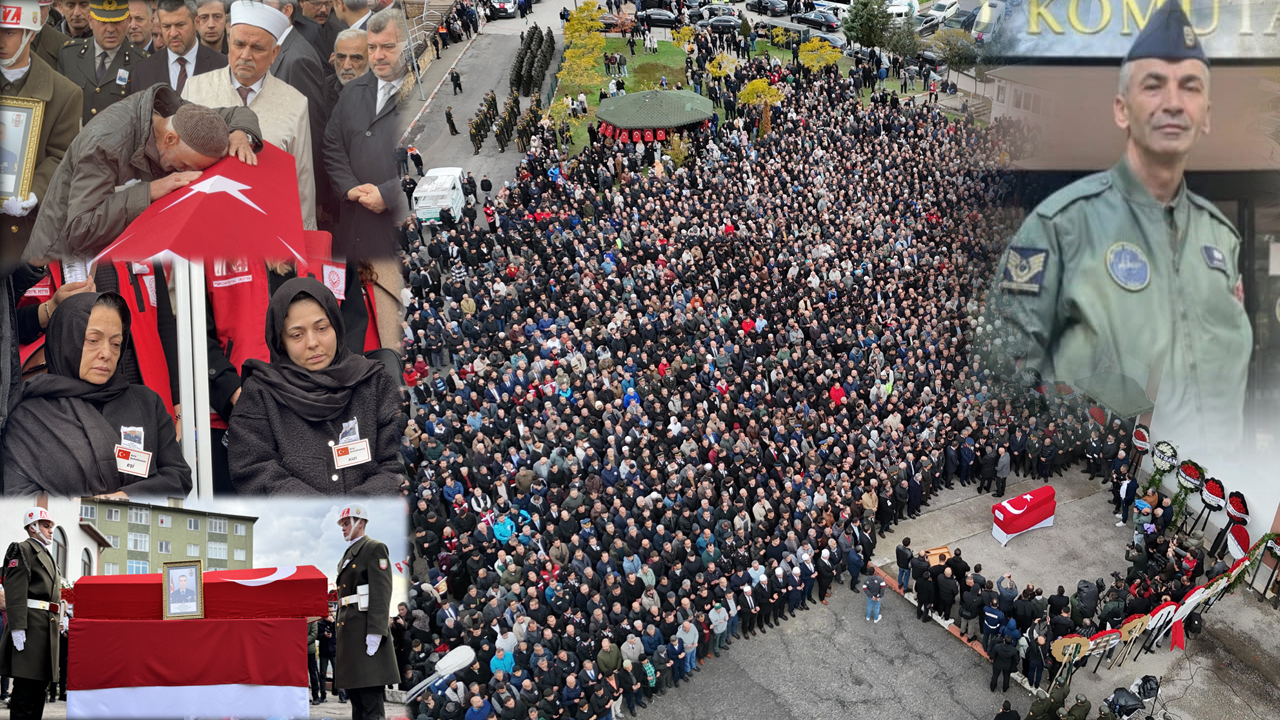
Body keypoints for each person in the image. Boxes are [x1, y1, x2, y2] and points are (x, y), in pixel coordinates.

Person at [992, 0, 1250, 458]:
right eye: (1153, 86)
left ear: (1206, 113)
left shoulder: (1222, 239)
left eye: (1189, 87)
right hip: (1117, 437)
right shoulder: (1059, 225)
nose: (1173, 103)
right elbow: (1014, 352)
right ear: (1122, 109)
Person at [22, 84, 261, 262]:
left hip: (107, 257)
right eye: (187, 165)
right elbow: (80, 228)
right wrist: (149, 191)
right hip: (57, 262)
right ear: (170, 139)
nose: (188, 175)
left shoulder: (182, 118)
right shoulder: (106, 145)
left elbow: (236, 114)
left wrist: (241, 133)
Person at [3, 292, 192, 496]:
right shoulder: (28, 416)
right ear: (65, 338)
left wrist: (127, 498)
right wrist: (84, 514)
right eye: (93, 340)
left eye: (116, 343)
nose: (106, 353)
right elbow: (18, 496)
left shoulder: (147, 403)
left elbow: (178, 477)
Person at [226, 277, 403, 494]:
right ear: (280, 340)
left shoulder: (375, 383)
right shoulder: (259, 395)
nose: (312, 343)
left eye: (321, 328)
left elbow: (396, 463)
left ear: (336, 326)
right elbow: (253, 469)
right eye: (297, 335)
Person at [181, 0, 315, 228]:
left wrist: (301, 240)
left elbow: (302, 181)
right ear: (229, 43)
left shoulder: (294, 102)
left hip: (267, 227)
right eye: (239, 44)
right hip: (205, 224)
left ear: (274, 53)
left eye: (257, 48)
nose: (245, 55)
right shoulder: (196, 89)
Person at [322, 7, 409, 260]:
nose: (378, 56)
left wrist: (388, 194)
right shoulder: (352, 91)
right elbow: (332, 145)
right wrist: (349, 188)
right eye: (372, 48)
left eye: (388, 47)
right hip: (355, 223)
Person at [0, 0, 82, 256]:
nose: (1, 40)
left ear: (30, 34)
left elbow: (62, 156)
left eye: (9, 32)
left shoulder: (65, 93)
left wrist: (32, 193)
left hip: (22, 235)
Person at [333, 504, 399, 720]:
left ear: (360, 523)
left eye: (346, 523)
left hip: (365, 632)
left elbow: (381, 591)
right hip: (351, 634)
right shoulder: (348, 554)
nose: (343, 528)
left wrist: (376, 631)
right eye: (342, 524)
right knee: (358, 704)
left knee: (371, 704)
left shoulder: (374, 548)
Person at [0, 508, 63, 720]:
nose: (50, 531)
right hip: (30, 628)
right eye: (46, 526)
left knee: (38, 692)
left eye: (51, 527)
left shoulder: (47, 555)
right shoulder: (22, 550)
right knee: (25, 693)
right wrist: (17, 627)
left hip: (46, 629)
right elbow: (15, 590)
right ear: (32, 527)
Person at [56, 0, 150, 125]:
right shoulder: (69, 54)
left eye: (117, 22)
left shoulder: (142, 62)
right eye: (103, 22)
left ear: (127, 20)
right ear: (90, 21)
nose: (110, 29)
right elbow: (58, 108)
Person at [128, 0, 228, 93]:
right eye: (166, 26)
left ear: (197, 23)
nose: (173, 33)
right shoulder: (143, 70)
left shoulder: (223, 66)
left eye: (180, 25)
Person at [30, 0, 72, 69]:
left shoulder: (65, 44)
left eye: (41, 7)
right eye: (31, 7)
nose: (36, 13)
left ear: (49, 8)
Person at [328, 26, 365, 95]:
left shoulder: (381, 93)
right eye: (341, 57)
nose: (346, 66)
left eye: (356, 58)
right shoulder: (322, 90)